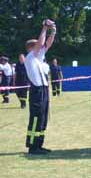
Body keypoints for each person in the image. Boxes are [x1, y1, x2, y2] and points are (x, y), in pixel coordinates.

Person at [24, 19, 56, 155]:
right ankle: (32, 146)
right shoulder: (30, 57)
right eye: (38, 46)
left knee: (42, 118)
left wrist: (53, 30)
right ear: (31, 48)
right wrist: (44, 28)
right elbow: (42, 43)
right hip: (36, 91)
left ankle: (39, 144)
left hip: (43, 90)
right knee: (36, 118)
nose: (42, 48)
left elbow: (47, 44)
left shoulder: (38, 58)